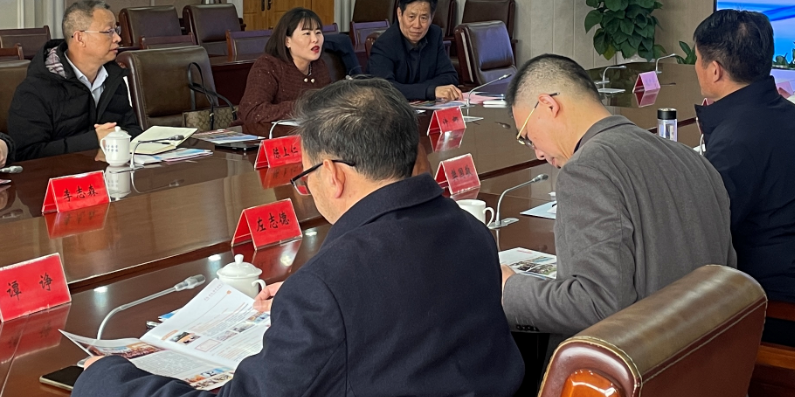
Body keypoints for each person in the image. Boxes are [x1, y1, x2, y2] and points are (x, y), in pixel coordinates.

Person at [74, 78, 524, 397]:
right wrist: (313, 304)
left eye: (306, 175)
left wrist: (106, 378)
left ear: (332, 173)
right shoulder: (470, 231)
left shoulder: (329, 289)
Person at [500, 54, 736, 338]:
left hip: (637, 358)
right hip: (707, 353)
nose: (537, 152)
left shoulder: (586, 169)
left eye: (527, 136)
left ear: (549, 105)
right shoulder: (692, 159)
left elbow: (597, 304)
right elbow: (726, 276)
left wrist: (510, 289)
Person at [693, 10, 795, 350]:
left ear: (715, 70)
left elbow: (707, 234)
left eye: (697, 59)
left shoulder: (737, 141)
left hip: (779, 308)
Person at [7, 0, 141, 160]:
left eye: (116, 30)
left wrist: (117, 137)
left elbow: (133, 130)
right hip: (59, 174)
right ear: (80, 38)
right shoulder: (35, 89)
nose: (118, 38)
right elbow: (26, 153)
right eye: (108, 31)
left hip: (112, 170)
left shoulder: (114, 77)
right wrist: (93, 140)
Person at [239, 8, 331, 136]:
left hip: (306, 137)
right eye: (306, 33)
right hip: (260, 138)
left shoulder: (319, 66)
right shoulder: (268, 65)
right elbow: (252, 112)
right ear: (287, 41)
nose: (315, 39)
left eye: (318, 32)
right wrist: (302, 107)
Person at [368, 0, 461, 102]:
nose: (417, 25)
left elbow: (450, 76)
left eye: (424, 18)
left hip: (427, 107)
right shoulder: (384, 44)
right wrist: (429, 91)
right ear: (400, 14)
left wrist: (418, 91)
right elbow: (384, 89)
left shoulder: (434, 34)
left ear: (432, 17)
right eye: (411, 17)